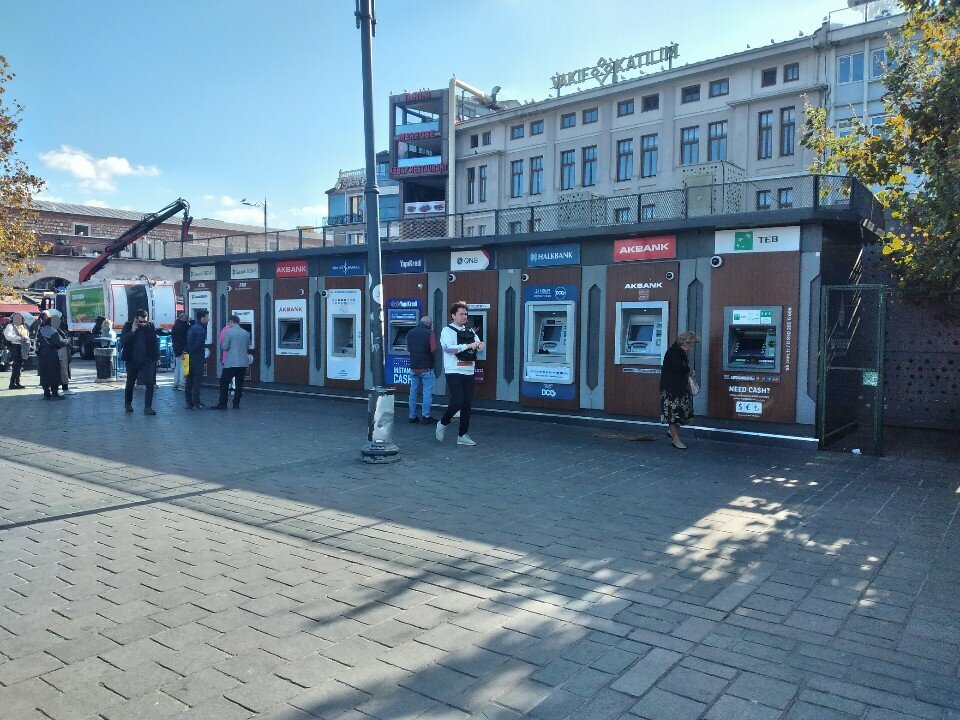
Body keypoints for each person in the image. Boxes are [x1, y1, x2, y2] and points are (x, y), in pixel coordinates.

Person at [437, 301, 484, 446]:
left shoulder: (470, 331)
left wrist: (480, 345)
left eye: (466, 314)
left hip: (469, 370)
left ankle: (462, 435)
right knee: (457, 401)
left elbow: (478, 345)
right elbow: (448, 349)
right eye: (461, 314)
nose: (464, 317)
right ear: (453, 315)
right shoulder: (446, 330)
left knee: (467, 404)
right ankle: (443, 422)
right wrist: (468, 345)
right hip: (454, 371)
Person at [660, 331, 700, 449]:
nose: (691, 347)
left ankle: (671, 432)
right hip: (671, 389)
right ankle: (676, 440)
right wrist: (689, 371)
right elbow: (678, 368)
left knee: (683, 413)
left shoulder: (679, 352)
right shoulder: (673, 352)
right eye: (690, 344)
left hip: (680, 388)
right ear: (684, 342)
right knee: (673, 415)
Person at [120, 309, 160, 415]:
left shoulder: (150, 326)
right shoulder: (128, 326)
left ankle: (148, 407)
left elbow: (155, 342)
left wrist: (157, 357)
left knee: (150, 383)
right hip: (132, 359)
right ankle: (128, 404)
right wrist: (132, 331)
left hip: (147, 359)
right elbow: (123, 340)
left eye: (145, 321)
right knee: (130, 382)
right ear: (136, 319)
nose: (143, 323)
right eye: (141, 321)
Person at [211, 314, 251, 410]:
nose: (228, 324)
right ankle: (236, 404)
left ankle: (223, 404)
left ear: (232, 322)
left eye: (229, 322)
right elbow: (247, 347)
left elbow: (224, 347)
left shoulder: (229, 332)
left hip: (231, 363)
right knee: (239, 384)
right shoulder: (246, 333)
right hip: (243, 362)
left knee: (224, 383)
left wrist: (222, 345)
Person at [406, 316, 437, 423]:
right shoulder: (430, 333)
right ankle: (426, 416)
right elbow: (433, 349)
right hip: (426, 367)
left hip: (414, 367)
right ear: (429, 324)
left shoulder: (410, 332)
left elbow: (408, 348)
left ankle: (412, 416)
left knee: (413, 392)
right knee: (427, 392)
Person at [35, 315, 65, 400]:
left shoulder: (41, 330)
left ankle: (46, 393)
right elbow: (58, 343)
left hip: (42, 354)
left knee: (44, 373)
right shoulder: (53, 331)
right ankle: (55, 392)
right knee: (54, 372)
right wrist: (66, 342)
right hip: (51, 354)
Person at [184, 310, 209, 409]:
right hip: (197, 358)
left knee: (189, 381)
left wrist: (187, 352)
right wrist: (191, 351)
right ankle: (196, 402)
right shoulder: (201, 330)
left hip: (189, 358)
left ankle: (189, 402)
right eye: (207, 317)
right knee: (196, 381)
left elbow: (188, 342)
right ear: (202, 318)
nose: (208, 319)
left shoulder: (192, 328)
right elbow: (198, 344)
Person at [3, 312, 30, 390]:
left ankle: (17, 382)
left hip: (24, 346)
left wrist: (25, 338)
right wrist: (19, 338)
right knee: (17, 365)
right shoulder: (10, 326)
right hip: (15, 346)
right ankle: (12, 383)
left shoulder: (23, 326)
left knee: (20, 365)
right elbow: (8, 336)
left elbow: (27, 334)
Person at [50, 311, 74, 396]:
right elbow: (59, 341)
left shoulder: (59, 329)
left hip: (63, 351)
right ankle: (64, 387)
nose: (62, 320)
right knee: (63, 369)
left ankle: (63, 387)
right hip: (61, 352)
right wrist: (66, 341)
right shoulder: (54, 330)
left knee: (65, 369)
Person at [170, 311, 190, 391]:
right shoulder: (185, 326)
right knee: (184, 367)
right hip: (184, 350)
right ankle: (182, 385)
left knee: (178, 366)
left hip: (176, 349)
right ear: (184, 319)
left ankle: (176, 384)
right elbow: (186, 339)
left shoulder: (175, 326)